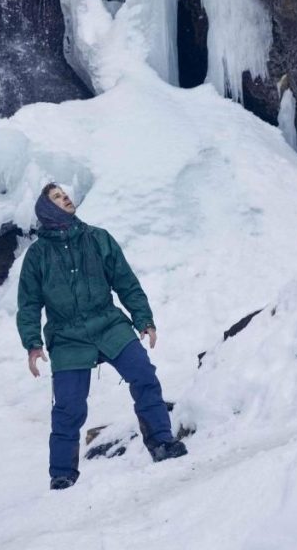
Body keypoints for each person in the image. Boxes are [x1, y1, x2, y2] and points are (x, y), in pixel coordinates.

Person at [17, 183, 188, 491]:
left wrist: (143, 319)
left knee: (144, 375)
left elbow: (125, 281)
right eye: (56, 197)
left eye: (64, 194)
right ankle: (62, 474)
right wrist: (32, 343)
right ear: (46, 209)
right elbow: (28, 304)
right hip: (67, 337)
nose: (65, 197)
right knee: (68, 406)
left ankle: (162, 442)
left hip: (109, 324)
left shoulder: (98, 239)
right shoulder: (37, 256)